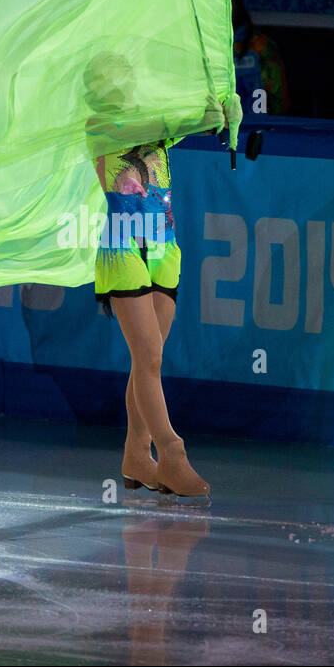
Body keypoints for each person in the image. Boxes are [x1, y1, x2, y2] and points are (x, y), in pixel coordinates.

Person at [85, 52, 227, 499]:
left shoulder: (154, 121)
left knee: (149, 362)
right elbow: (155, 126)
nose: (126, 88)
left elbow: (199, 119)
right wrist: (187, 114)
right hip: (122, 249)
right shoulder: (96, 127)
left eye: (128, 79)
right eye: (117, 82)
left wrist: (222, 108)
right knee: (147, 358)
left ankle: (134, 455)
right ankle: (172, 454)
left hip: (163, 248)